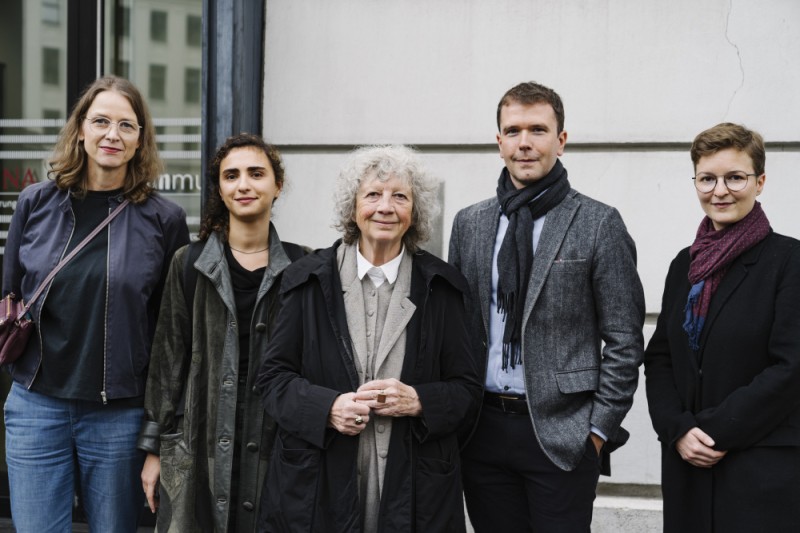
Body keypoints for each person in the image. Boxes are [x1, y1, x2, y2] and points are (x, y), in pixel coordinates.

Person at [448, 81, 645, 531]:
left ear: (561, 139)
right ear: (498, 142)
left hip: (563, 434)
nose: (524, 142)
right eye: (513, 130)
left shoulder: (598, 222)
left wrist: (596, 433)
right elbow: (456, 327)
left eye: (538, 129)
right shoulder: (470, 223)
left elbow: (624, 339)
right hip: (482, 430)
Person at [257, 145, 481, 532]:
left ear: (415, 210)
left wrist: (420, 400)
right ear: (352, 207)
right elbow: (273, 379)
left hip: (414, 486)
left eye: (400, 196)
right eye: (373, 195)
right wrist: (326, 407)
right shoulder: (305, 281)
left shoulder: (443, 287)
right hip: (319, 485)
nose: (386, 207)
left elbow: (467, 390)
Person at [1, 75, 189, 532]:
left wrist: (156, 436)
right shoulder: (35, 202)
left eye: (127, 125)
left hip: (119, 416)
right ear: (80, 130)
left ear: (141, 139)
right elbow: (10, 294)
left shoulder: (164, 219)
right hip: (36, 405)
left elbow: (172, 336)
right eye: (101, 121)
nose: (112, 135)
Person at [137, 133, 306, 532]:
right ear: (219, 187)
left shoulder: (304, 267)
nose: (243, 184)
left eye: (256, 173)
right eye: (231, 175)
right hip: (198, 444)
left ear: (276, 185)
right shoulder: (189, 263)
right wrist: (154, 450)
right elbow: (167, 363)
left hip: (274, 443)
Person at [644, 123, 800, 532]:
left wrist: (710, 432)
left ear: (760, 182)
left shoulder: (789, 260)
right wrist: (677, 429)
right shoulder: (685, 264)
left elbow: (791, 367)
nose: (720, 191)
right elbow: (661, 356)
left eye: (735, 177)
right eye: (707, 178)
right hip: (688, 469)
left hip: (759, 469)